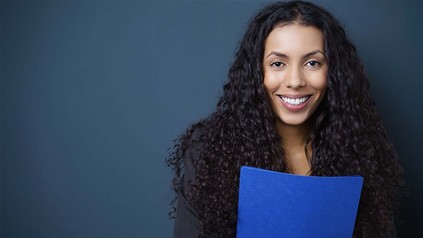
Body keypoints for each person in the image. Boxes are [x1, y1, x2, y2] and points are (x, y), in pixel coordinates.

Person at [167, 1, 406, 237]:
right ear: (257, 72)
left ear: (333, 72)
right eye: (278, 63)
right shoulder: (209, 150)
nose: (295, 81)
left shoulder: (359, 151)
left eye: (312, 63)